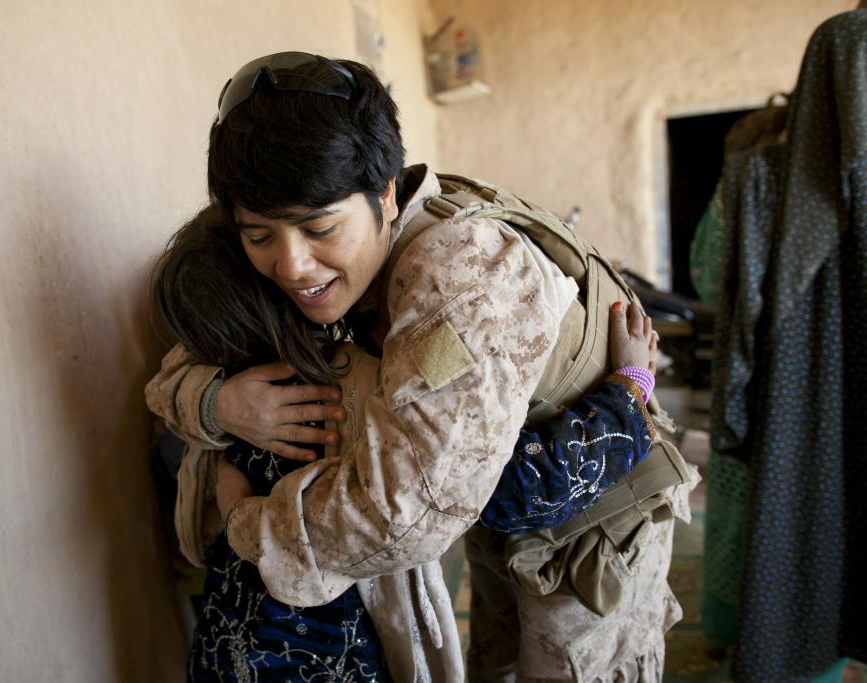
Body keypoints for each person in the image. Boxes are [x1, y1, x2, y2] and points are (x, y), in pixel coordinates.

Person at [147, 52, 691, 682]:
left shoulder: (462, 283)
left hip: (588, 522)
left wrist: (245, 521)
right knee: (499, 656)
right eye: (260, 236)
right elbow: (172, 372)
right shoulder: (289, 243)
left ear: (386, 193)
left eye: (319, 228)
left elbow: (400, 518)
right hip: (489, 507)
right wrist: (221, 402)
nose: (291, 266)